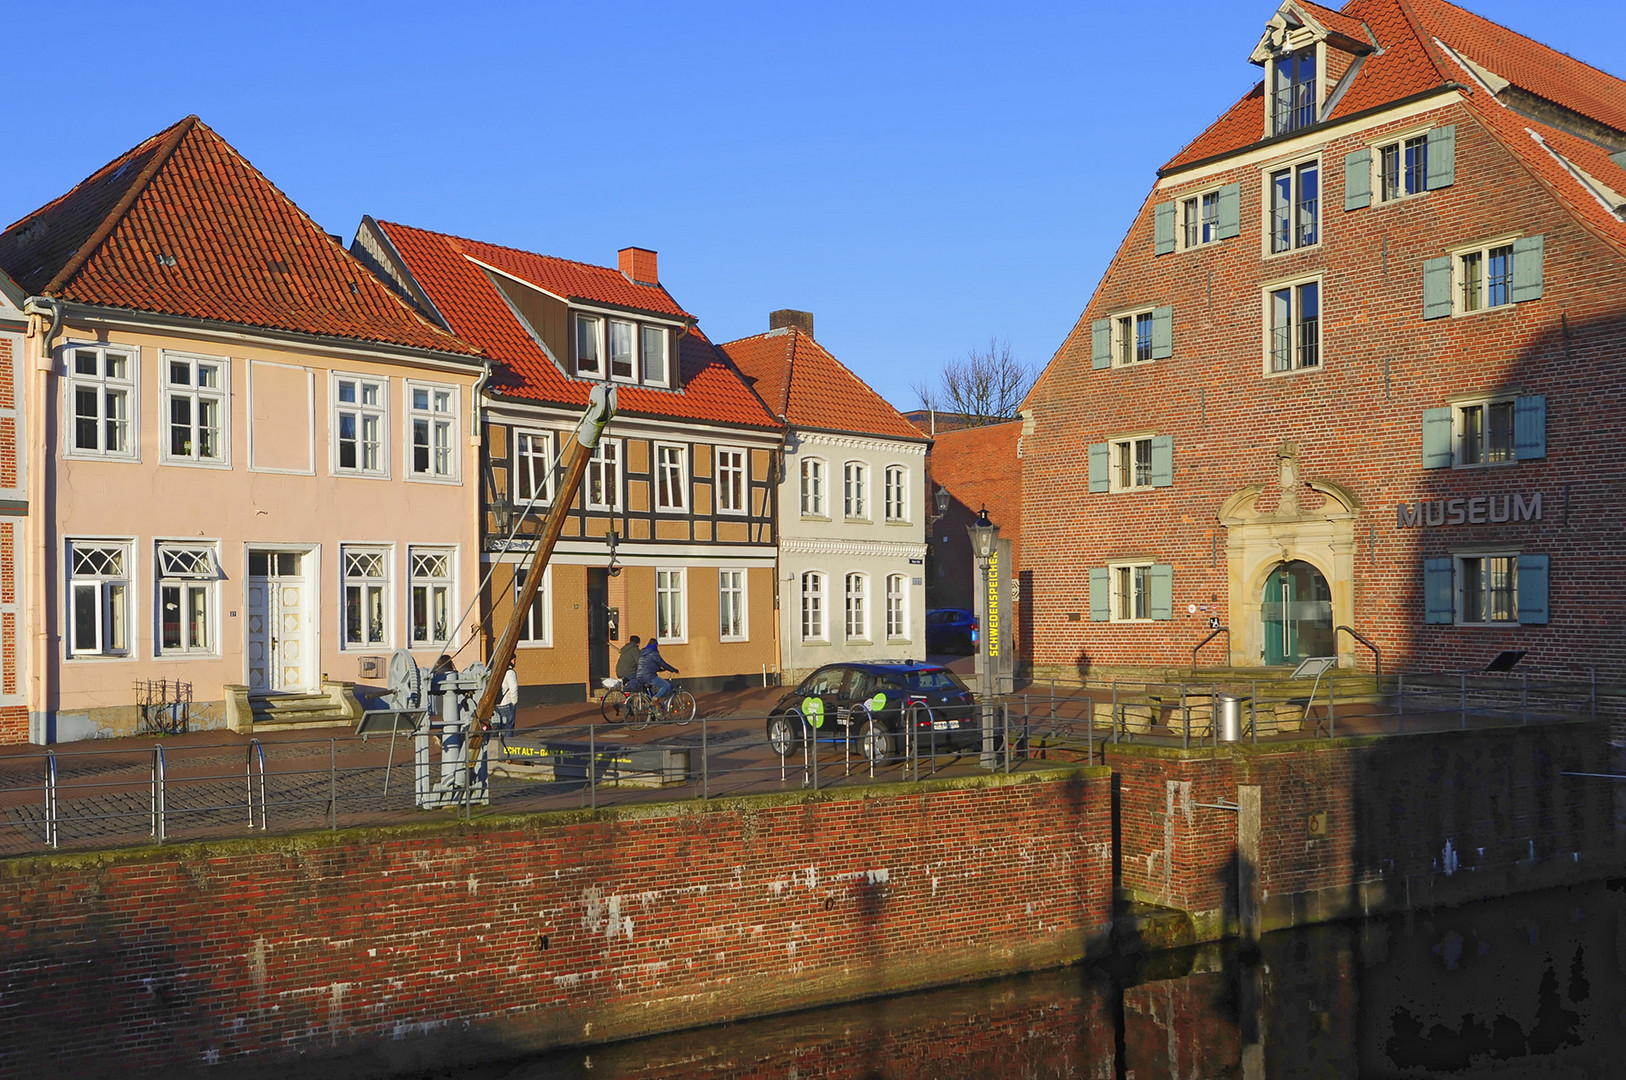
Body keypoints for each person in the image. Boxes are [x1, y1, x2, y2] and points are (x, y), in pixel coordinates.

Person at [631, 637, 679, 703]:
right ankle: (655, 700)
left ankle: (653, 707)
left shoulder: (642, 652)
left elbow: (648, 665)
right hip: (649, 676)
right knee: (666, 685)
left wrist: (659, 669)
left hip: (639, 675)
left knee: (652, 690)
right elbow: (663, 663)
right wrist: (673, 669)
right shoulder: (654, 653)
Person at [494, 656, 518, 733]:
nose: (515, 662)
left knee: (499, 729)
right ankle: (506, 744)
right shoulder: (510, 672)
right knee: (508, 729)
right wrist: (514, 702)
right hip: (507, 704)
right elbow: (513, 689)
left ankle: (499, 744)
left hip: (497, 704)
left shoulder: (498, 670)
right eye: (514, 660)